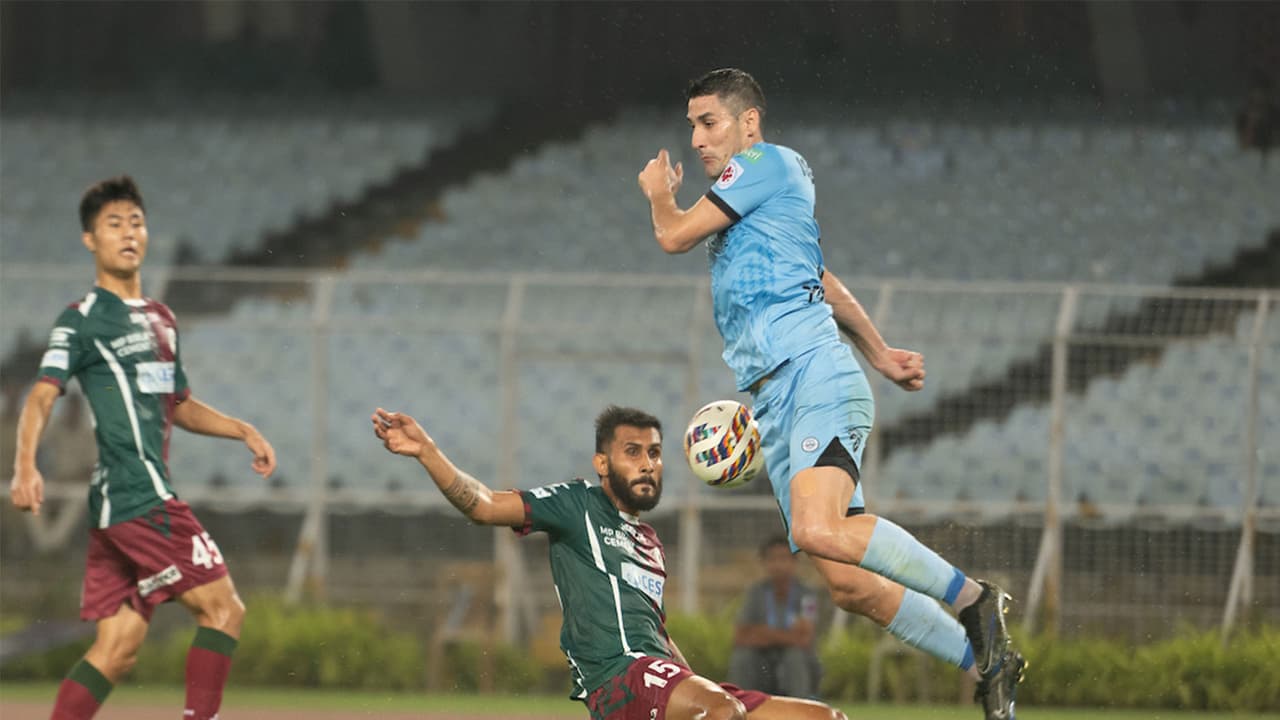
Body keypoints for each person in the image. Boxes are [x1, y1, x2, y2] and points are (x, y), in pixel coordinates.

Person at [636, 68, 1025, 719]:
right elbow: (820, 278)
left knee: (821, 526)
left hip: (811, 373)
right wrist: (881, 352)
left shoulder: (765, 163)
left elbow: (672, 235)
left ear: (748, 123)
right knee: (849, 585)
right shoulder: (759, 212)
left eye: (708, 122)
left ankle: (976, 601)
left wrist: (657, 197)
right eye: (691, 125)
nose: (697, 137)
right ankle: (987, 662)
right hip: (774, 404)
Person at [373, 404, 846, 720]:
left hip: (659, 674)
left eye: (655, 453)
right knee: (721, 711)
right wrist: (426, 452)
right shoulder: (577, 504)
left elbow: (656, 632)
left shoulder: (651, 542)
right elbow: (482, 504)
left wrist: (691, 680)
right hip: (616, 678)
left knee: (824, 717)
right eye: (633, 452)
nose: (647, 464)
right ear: (603, 463)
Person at [9, 176, 277, 720]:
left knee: (115, 652)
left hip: (122, 506)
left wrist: (240, 429)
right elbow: (40, 398)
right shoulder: (82, 320)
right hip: (138, 497)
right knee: (224, 611)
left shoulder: (161, 320)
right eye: (114, 224)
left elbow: (174, 402)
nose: (128, 233)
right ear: (90, 240)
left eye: (136, 222)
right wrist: (25, 467)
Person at [729, 536, 823, 699]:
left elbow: (804, 638)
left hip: (795, 662)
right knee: (743, 657)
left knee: (794, 656)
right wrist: (788, 635)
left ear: (795, 561)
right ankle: (743, 706)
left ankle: (799, 710)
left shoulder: (807, 595)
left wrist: (763, 633)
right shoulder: (755, 593)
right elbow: (741, 636)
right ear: (764, 562)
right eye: (773, 559)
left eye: (784, 558)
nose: (778, 565)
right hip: (763, 659)